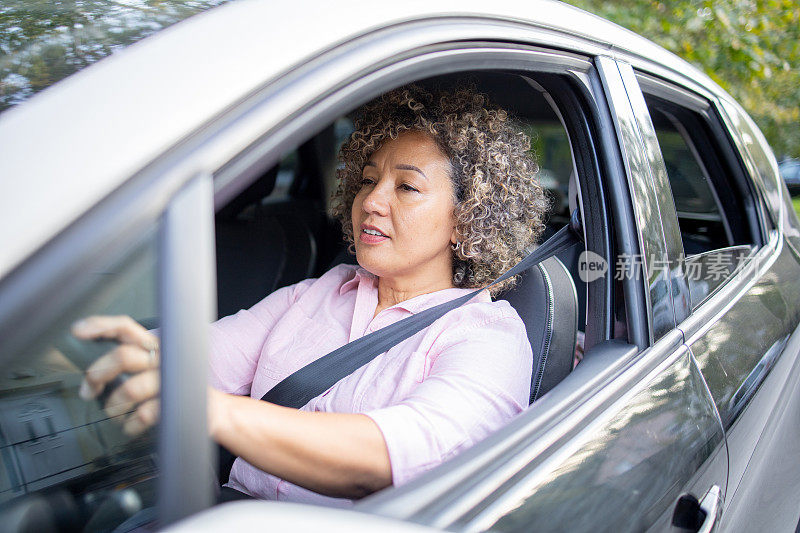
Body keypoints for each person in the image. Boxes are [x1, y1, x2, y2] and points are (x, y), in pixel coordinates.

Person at [71, 84, 549, 506]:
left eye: (406, 186)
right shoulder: (318, 293)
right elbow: (193, 358)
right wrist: (78, 353)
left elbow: (388, 460)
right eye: (367, 180)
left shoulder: (489, 337)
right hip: (228, 513)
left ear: (467, 221)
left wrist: (209, 409)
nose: (372, 201)